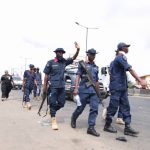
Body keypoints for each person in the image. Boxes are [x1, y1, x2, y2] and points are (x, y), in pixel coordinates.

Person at [103, 42, 147, 136]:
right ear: (122, 48)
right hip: (116, 87)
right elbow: (130, 69)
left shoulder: (120, 58)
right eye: (126, 47)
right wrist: (140, 80)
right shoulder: (120, 57)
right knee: (113, 107)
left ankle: (127, 127)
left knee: (125, 107)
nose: (128, 48)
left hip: (122, 87)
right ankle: (107, 125)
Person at [43, 42, 80, 130]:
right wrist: (44, 87)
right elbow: (46, 76)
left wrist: (78, 50)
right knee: (52, 102)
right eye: (59, 52)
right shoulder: (50, 62)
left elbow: (73, 58)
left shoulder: (64, 62)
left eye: (62, 52)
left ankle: (52, 111)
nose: (61, 54)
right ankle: (53, 119)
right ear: (56, 53)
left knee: (62, 103)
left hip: (62, 87)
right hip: (53, 87)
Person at [71, 49, 100, 137]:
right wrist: (76, 88)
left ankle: (91, 127)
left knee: (94, 109)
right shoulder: (82, 64)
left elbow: (97, 81)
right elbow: (78, 76)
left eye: (94, 54)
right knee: (80, 108)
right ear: (88, 55)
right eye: (92, 54)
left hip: (93, 91)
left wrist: (99, 93)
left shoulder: (96, 67)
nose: (93, 56)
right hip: (84, 90)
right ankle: (73, 118)